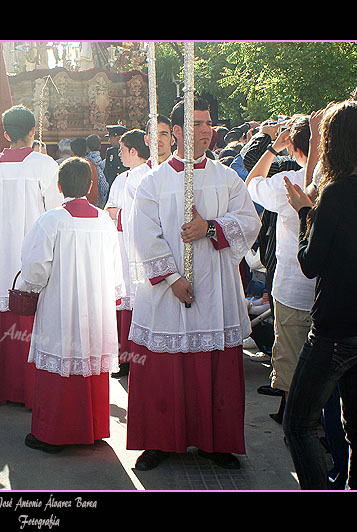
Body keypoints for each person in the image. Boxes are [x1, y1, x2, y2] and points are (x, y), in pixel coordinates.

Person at [126, 97, 261, 471]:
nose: (208, 130)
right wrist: (171, 278)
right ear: (180, 131)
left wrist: (210, 228)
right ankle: (160, 440)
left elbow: (250, 222)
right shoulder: (153, 181)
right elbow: (144, 234)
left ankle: (214, 441)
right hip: (168, 293)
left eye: (209, 123)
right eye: (199, 123)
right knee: (164, 370)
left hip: (215, 287)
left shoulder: (226, 177)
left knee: (214, 369)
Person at [282, 100, 357, 490]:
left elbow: (310, 263)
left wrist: (306, 211)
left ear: (334, 142)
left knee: (298, 424)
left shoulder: (337, 193)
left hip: (335, 327)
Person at [20, 157, 124, 453]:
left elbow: (35, 267)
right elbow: (115, 265)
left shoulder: (51, 220)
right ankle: (92, 428)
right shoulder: (104, 220)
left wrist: (33, 287)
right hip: (96, 304)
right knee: (89, 358)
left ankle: (53, 434)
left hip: (61, 303)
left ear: (58, 185)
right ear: (91, 186)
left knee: (60, 359)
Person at [0, 105, 64, 408]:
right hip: (35, 252)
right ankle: (31, 391)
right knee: (36, 317)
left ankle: (6, 389)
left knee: (7, 320)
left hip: (2, 255)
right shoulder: (43, 164)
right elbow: (56, 210)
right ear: (32, 131)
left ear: (5, 133)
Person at [245, 115, 316, 424]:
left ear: (295, 149)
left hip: (293, 291)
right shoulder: (346, 181)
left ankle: (295, 423)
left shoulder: (290, 184)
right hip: (331, 293)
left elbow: (252, 183)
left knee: (291, 367)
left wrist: (273, 147)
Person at [109, 129, 151, 379]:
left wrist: (120, 216)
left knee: (139, 296)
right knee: (125, 294)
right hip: (123, 246)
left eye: (122, 150)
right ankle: (124, 356)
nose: (120, 154)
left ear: (133, 151)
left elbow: (139, 214)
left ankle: (137, 356)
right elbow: (111, 209)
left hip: (140, 246)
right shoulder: (122, 177)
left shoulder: (147, 176)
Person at [70, 137, 98, 206]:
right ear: (86, 150)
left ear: (72, 152)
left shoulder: (69, 166)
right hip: (91, 202)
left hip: (74, 203)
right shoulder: (91, 165)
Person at [85, 134, 108, 207]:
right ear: (100, 147)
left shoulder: (85, 163)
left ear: (87, 148)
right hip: (98, 203)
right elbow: (104, 188)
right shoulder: (104, 163)